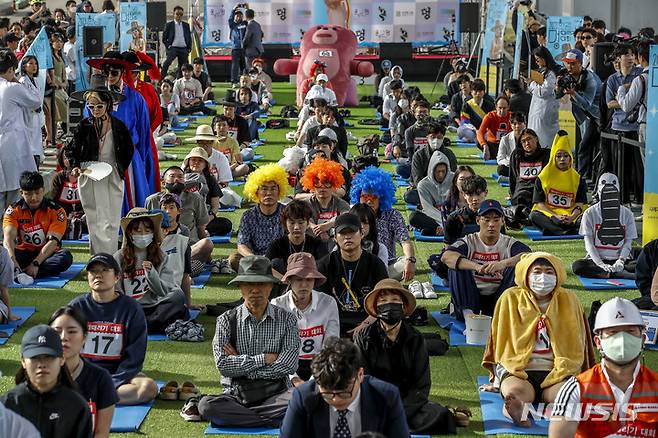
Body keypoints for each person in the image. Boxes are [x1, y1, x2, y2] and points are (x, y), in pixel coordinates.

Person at [482, 252, 595, 427]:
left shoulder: (569, 299)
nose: (543, 277)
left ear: (558, 274)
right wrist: (497, 380)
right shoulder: (509, 298)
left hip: (558, 371)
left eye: (549, 272)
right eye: (537, 271)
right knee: (515, 392)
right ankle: (516, 409)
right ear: (525, 274)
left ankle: (561, 405)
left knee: (563, 396)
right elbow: (498, 339)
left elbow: (582, 338)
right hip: (518, 370)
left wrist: (585, 374)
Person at [193, 256, 299, 426]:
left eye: (261, 284)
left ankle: (245, 418)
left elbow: (288, 365)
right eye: (249, 284)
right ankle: (271, 420)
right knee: (206, 406)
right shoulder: (226, 320)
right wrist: (264, 359)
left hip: (277, 394)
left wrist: (242, 367)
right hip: (236, 395)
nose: (255, 290)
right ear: (240, 287)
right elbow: (223, 365)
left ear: (271, 286)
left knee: (300, 397)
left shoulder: (287, 319)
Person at [355, 279, 461, 434]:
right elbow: (362, 379)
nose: (389, 305)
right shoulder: (363, 337)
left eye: (395, 300)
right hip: (373, 401)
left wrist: (399, 409)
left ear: (403, 307)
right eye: (383, 301)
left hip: (405, 402)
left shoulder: (416, 338)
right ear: (376, 308)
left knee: (439, 415)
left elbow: (421, 384)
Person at [549, 297, 658, 437]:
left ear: (642, 340)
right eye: (613, 332)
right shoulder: (577, 388)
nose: (622, 339)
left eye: (630, 331)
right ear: (598, 342)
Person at [68, 253, 158, 405]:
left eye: (104, 270)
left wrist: (112, 381)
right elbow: (65, 347)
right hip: (81, 372)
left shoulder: (131, 308)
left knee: (147, 388)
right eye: (93, 271)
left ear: (117, 277)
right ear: (88, 277)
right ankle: (100, 395)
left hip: (118, 374)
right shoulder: (76, 307)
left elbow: (135, 355)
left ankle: (86, 395)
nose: (98, 275)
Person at [279, 337, 410, 437]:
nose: (336, 400)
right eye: (328, 394)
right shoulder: (303, 397)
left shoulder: (386, 397)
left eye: (344, 392)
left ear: (360, 375)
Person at [66, 78, 135, 255]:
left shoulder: (118, 126)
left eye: (99, 106)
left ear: (108, 105)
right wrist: (75, 166)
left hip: (112, 173)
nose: (95, 110)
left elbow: (128, 149)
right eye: (91, 107)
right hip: (89, 173)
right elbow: (72, 149)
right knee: (94, 216)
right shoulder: (83, 125)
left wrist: (120, 169)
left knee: (111, 217)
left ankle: (110, 254)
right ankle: (97, 255)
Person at [86, 52, 157, 208]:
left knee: (131, 199)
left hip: (129, 158)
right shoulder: (92, 99)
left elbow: (144, 132)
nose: (109, 76)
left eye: (114, 72)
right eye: (106, 72)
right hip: (102, 156)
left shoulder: (136, 98)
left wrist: (142, 161)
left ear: (122, 72)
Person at [441, 199, 531, 320]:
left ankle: (506, 311)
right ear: (478, 221)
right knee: (456, 267)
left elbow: (529, 256)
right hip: (471, 296)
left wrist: (502, 264)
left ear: (503, 221)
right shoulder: (469, 241)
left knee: (521, 265)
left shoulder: (509, 242)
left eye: (496, 220)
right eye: (487, 219)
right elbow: (447, 256)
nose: (491, 224)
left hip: (499, 297)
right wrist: (477, 267)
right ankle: (468, 317)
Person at [1, 324, 93, 438]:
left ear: (62, 359)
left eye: (49, 357)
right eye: (35, 357)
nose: (42, 364)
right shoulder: (8, 404)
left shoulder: (77, 406)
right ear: (23, 361)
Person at [115, 208, 189, 333]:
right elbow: (115, 290)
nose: (143, 235)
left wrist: (151, 274)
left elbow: (164, 290)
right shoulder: (118, 257)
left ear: (153, 233)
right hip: (130, 307)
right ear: (130, 233)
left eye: (147, 231)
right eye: (138, 231)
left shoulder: (161, 256)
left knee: (178, 296)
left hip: (155, 305)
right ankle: (149, 324)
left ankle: (139, 325)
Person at [49, 306, 119, 438]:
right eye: (57, 331)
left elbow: (101, 433)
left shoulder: (101, 378)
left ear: (84, 337)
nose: (64, 338)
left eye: (72, 331)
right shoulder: (37, 377)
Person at [316, 213, 389, 336]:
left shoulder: (376, 264)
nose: (347, 237)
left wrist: (365, 325)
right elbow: (318, 304)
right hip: (332, 323)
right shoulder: (325, 265)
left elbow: (385, 300)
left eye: (352, 232)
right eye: (343, 233)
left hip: (368, 323)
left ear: (361, 234)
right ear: (335, 238)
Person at [272, 252, 339, 384]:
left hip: (321, 365)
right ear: (290, 281)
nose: (304, 285)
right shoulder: (277, 305)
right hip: (286, 367)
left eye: (309, 279)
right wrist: (294, 379)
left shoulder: (328, 303)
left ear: (315, 280)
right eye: (298, 279)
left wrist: (315, 378)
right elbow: (275, 348)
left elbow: (331, 345)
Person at [3, 171, 73, 283]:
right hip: (22, 253)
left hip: (47, 255)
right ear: (21, 193)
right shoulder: (13, 210)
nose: (34, 198)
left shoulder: (57, 211)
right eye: (29, 194)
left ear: (43, 190)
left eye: (37, 192)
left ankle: (23, 273)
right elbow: (8, 239)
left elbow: (53, 242)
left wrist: (36, 263)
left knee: (65, 257)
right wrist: (13, 263)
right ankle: (18, 271)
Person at [350, 167, 416, 281]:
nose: (369, 201)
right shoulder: (351, 214)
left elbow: (405, 241)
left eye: (374, 197)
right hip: (355, 263)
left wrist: (410, 260)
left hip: (385, 265)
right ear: (358, 196)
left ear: (382, 198)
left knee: (405, 261)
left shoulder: (393, 215)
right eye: (365, 197)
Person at [572, 173, 637, 279]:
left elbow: (628, 242)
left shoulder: (627, 214)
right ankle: (614, 273)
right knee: (578, 266)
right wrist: (600, 263)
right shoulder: (589, 213)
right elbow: (588, 244)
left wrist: (620, 261)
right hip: (595, 260)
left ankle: (615, 272)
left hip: (623, 260)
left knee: (643, 263)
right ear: (598, 191)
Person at [0, 48, 42, 214]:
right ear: (11, 69)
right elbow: (36, 101)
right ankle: (11, 236)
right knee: (14, 193)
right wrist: (18, 81)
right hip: (12, 145)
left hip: (6, 142)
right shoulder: (11, 87)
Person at [604, 44, 644, 204]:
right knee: (620, 167)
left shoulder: (640, 75)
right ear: (618, 58)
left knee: (638, 168)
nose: (630, 58)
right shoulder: (613, 79)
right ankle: (623, 200)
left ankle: (640, 200)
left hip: (636, 127)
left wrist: (622, 99)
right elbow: (609, 103)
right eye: (626, 55)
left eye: (632, 54)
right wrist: (628, 100)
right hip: (618, 127)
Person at [530, 131, 588, 236]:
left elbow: (580, 203)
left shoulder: (578, 178)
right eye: (558, 156)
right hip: (550, 215)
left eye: (566, 156)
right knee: (534, 216)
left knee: (587, 216)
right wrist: (554, 216)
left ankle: (554, 230)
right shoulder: (542, 177)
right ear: (553, 158)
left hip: (571, 215)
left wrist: (572, 217)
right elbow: (539, 203)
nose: (562, 159)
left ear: (570, 158)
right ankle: (566, 230)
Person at [233, 164, 288, 271]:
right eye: (264, 189)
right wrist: (254, 258)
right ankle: (264, 272)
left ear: (279, 191)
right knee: (234, 259)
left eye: (273, 189)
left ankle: (259, 273)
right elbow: (242, 244)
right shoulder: (248, 216)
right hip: (254, 258)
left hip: (279, 258)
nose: (269, 193)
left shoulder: (287, 213)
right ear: (256, 192)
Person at [557, 48, 601, 179]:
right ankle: (585, 176)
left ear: (580, 64)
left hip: (598, 116)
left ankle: (582, 177)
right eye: (567, 63)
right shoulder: (568, 76)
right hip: (584, 116)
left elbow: (587, 104)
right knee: (585, 147)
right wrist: (558, 86)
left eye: (573, 63)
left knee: (585, 147)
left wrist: (573, 93)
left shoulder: (590, 79)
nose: (569, 66)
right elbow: (557, 95)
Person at [266, 200, 328, 278]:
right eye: (292, 223)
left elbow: (325, 267)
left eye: (301, 223)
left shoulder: (317, 244)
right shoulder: (276, 245)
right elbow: (266, 267)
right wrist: (285, 280)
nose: (296, 227)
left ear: (308, 223)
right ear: (285, 223)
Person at [506, 128, 550, 229]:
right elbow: (513, 177)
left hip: (538, 191)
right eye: (523, 141)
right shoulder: (517, 155)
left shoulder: (547, 154)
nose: (527, 143)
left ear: (536, 139)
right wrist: (512, 194)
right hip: (521, 191)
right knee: (519, 200)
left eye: (529, 139)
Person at [300, 156, 349, 242]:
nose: (322, 188)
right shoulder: (304, 205)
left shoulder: (342, 204)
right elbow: (301, 219)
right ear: (312, 185)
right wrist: (313, 227)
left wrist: (329, 224)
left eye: (327, 184)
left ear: (334, 185)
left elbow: (346, 218)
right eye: (317, 185)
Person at [409, 151, 454, 236]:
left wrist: (450, 219)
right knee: (414, 217)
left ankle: (436, 230)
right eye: (438, 172)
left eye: (443, 171)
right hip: (434, 216)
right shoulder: (423, 184)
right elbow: (429, 209)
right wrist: (444, 223)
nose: (441, 175)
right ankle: (443, 229)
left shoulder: (454, 179)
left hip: (452, 215)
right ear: (432, 171)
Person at [528, 46, 560, 148]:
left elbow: (543, 92)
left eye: (538, 60)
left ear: (544, 58)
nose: (536, 62)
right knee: (536, 135)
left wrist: (532, 84)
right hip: (537, 110)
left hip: (545, 111)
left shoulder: (551, 74)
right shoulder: (542, 71)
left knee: (544, 138)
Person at [443, 174, 488, 244]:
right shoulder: (454, 219)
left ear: (485, 193)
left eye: (478, 194)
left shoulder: (495, 217)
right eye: (470, 195)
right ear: (464, 195)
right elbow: (448, 248)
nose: (475, 199)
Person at [17, 55, 43, 168]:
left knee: (36, 143)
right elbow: (24, 99)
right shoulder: (23, 81)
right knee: (30, 144)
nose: (34, 66)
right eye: (31, 64)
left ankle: (35, 166)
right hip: (28, 116)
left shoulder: (35, 80)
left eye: (35, 64)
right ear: (24, 66)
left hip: (36, 116)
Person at [477, 95, 512, 160]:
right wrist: (484, 145)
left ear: (508, 107)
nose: (502, 111)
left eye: (504, 108)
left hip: (507, 145)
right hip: (493, 145)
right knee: (478, 141)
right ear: (496, 107)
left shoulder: (512, 117)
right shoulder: (490, 116)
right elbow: (480, 132)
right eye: (500, 108)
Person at [161, 5, 192, 78]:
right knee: (167, 62)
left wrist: (189, 47)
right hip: (173, 48)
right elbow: (164, 38)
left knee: (183, 66)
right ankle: (161, 78)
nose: (179, 16)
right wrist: (168, 46)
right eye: (177, 14)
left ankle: (180, 81)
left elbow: (188, 37)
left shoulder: (186, 25)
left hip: (183, 48)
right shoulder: (169, 25)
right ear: (173, 14)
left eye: (181, 14)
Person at [496, 112, 526, 178]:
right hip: (511, 166)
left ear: (525, 124)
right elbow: (500, 158)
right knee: (500, 169)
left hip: (526, 165)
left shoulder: (530, 137)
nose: (517, 126)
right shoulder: (505, 139)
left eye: (520, 123)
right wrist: (511, 163)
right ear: (510, 124)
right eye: (514, 124)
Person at [228, 6, 247, 86]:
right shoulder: (232, 24)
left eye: (240, 16)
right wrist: (233, 9)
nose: (238, 17)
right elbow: (230, 19)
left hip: (244, 48)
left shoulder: (245, 24)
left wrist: (247, 8)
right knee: (235, 65)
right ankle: (234, 81)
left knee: (244, 65)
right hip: (235, 48)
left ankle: (244, 81)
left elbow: (249, 18)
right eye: (237, 16)